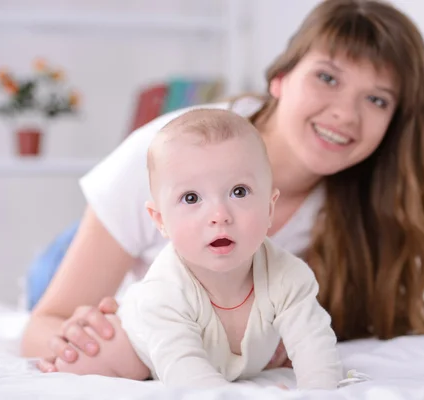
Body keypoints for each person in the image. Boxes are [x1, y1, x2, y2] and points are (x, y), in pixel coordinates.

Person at [22, 0, 424, 376]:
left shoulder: (362, 201)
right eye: (328, 78)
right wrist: (78, 337)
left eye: (376, 100)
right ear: (279, 78)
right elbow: (44, 325)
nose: (345, 114)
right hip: (105, 259)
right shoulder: (166, 155)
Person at [51, 109, 343, 389]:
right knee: (103, 353)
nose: (219, 214)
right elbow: (187, 375)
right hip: (147, 348)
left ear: (269, 208)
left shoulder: (288, 276)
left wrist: (318, 391)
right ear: (160, 220)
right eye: (191, 198)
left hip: (226, 361)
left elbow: (314, 344)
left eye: (238, 191)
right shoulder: (164, 293)